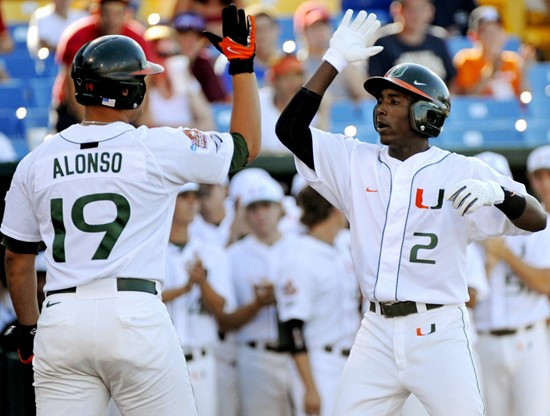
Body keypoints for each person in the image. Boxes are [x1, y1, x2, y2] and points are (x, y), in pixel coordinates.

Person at [276, 9, 547, 415]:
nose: (381, 109)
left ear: (427, 114)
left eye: (395, 101)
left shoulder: (463, 170)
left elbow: (538, 218)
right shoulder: (355, 160)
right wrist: (333, 60)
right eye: (381, 100)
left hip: (439, 330)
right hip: (375, 331)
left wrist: (500, 194)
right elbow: (289, 131)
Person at [0, 3, 259, 414]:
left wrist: (30, 328)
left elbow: (17, 260)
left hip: (61, 316)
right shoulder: (155, 146)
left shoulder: (36, 159)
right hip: (133, 313)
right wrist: (241, 66)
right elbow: (244, 147)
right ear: (129, 90)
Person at [473, 145, 550, 416]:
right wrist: (489, 262)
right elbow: (464, 298)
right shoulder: (467, 234)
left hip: (529, 337)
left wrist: (504, 253)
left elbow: (546, 283)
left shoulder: (540, 226)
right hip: (483, 341)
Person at [276, 186, 361, 416]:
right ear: (334, 209)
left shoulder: (341, 247)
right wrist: (310, 387)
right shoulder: (298, 257)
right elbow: (292, 327)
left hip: (350, 361)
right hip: (318, 364)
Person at [218, 171, 295, 416]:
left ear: (280, 209)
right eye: (253, 208)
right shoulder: (232, 256)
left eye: (266, 206)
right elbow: (226, 318)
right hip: (255, 355)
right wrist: (258, 304)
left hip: (300, 355)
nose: (260, 213)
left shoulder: (301, 248)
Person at [163, 182, 234, 416]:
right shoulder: (151, 249)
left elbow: (221, 309)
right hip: (159, 361)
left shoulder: (211, 251)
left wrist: (202, 282)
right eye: (184, 196)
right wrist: (184, 289)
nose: (192, 202)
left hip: (200, 362)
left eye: (196, 196)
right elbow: (142, 301)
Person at [53, 0, 151, 132]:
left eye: (118, 13)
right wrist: (92, 129)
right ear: (97, 12)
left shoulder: (138, 38)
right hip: (78, 109)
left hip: (122, 107)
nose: (112, 19)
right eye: (107, 13)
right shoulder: (77, 35)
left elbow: (143, 86)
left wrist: (140, 125)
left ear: (128, 13)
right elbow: (74, 86)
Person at [367, 0, 456, 86]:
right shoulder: (384, 42)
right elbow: (375, 81)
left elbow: (452, 79)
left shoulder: (438, 40)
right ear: (397, 10)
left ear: (431, 11)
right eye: (410, 9)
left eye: (421, 9)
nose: (416, 15)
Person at [453, 5, 534, 99]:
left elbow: (524, 100)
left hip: (510, 112)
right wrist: (490, 72)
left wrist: (524, 73)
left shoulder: (513, 61)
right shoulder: (466, 60)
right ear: (474, 36)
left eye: (497, 30)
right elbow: (466, 100)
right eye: (487, 32)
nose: (493, 37)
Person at [294, 0, 370, 101]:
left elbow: (367, 99)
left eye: (323, 25)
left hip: (342, 116)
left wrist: (345, 64)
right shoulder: (295, 66)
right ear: (302, 32)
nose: (320, 32)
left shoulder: (343, 63)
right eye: (314, 27)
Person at [144, 24, 214, 130]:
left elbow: (208, 123)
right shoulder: (145, 85)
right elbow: (145, 125)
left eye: (174, 54)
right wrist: (186, 130)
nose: (169, 59)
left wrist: (185, 79)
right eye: (163, 54)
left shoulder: (187, 79)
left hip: (186, 145)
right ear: (151, 56)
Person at [173, 11, 229, 103]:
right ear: (175, 39)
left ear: (202, 42)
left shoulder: (203, 63)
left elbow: (218, 103)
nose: (190, 42)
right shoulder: (164, 57)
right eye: (184, 37)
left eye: (194, 37)